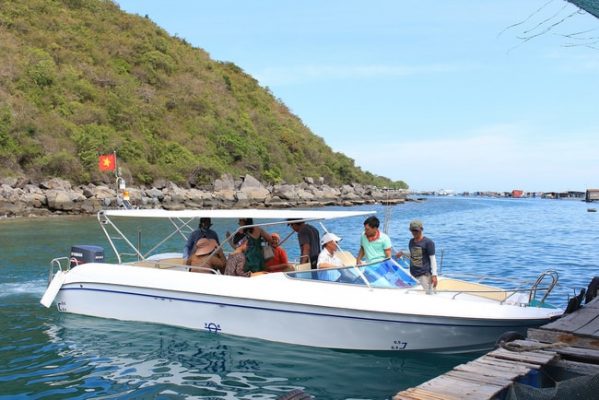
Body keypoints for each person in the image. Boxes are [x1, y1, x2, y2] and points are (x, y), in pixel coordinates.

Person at [396, 220, 438, 294]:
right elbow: (414, 254)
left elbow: (433, 259)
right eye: (412, 230)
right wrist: (402, 253)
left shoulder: (428, 242)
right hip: (413, 275)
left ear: (421, 229)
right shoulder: (411, 242)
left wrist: (434, 275)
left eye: (416, 230)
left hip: (424, 275)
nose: (414, 232)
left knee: (429, 296)